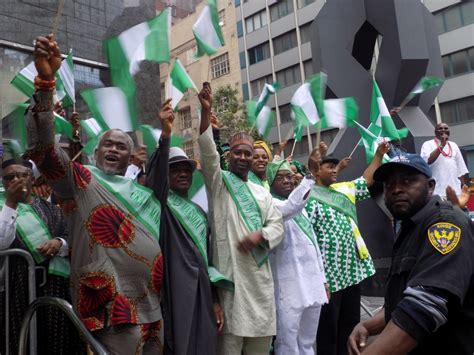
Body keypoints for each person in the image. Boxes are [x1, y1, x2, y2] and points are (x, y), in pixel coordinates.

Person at [26, 34, 163, 354]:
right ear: (96, 151)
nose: (114, 148)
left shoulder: (143, 193)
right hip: (110, 312)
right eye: (108, 144)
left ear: (131, 158)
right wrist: (46, 83)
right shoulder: (82, 180)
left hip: (153, 309)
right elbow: (44, 151)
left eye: (122, 146)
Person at [348, 153, 474, 355]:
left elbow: (423, 308)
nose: (396, 189)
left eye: (408, 181)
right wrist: (368, 326)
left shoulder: (445, 225)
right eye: (389, 185)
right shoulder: (409, 226)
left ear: (430, 186)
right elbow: (404, 297)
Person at [197, 82, 284, 355]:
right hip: (230, 288)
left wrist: (262, 235)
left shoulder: (262, 193)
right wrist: (205, 114)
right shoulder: (219, 182)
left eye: (248, 153)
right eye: (238, 152)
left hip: (259, 285)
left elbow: (277, 225)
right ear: (229, 156)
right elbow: (208, 154)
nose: (244, 157)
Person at [145, 99, 226, 355]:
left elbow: (207, 257)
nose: (182, 174)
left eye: (186, 170)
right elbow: (155, 176)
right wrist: (166, 135)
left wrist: (214, 299)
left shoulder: (199, 213)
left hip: (203, 289)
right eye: (175, 169)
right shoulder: (160, 203)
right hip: (175, 290)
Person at [305, 142, 389, 355]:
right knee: (328, 329)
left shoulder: (344, 189)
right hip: (327, 278)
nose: (335, 170)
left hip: (351, 271)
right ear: (316, 170)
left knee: (350, 324)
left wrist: (378, 155)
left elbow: (367, 179)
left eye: (336, 167)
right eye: (329, 167)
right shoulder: (306, 196)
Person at [0, 159, 82, 354]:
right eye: (10, 177)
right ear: (3, 182)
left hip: (55, 285)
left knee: (58, 339)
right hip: (17, 288)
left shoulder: (52, 209)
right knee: (23, 338)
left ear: (32, 179)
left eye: (23, 175)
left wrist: (58, 243)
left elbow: (70, 236)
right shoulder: (3, 208)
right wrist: (11, 203)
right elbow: (2, 242)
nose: (17, 180)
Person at [267, 159, 328, 354]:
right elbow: (290, 208)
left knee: (307, 342)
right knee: (288, 342)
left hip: (312, 284)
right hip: (288, 287)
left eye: (288, 176)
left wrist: (323, 280)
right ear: (269, 182)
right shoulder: (270, 205)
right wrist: (310, 177)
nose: (286, 181)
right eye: (280, 177)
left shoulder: (301, 210)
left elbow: (314, 246)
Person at [420, 123, 468, 199]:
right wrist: (442, 144)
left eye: (446, 128)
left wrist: (463, 185)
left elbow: (460, 167)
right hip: (438, 191)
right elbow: (427, 161)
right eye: (440, 128)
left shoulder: (454, 145)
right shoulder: (427, 144)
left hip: (455, 191)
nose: (443, 130)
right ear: (435, 132)